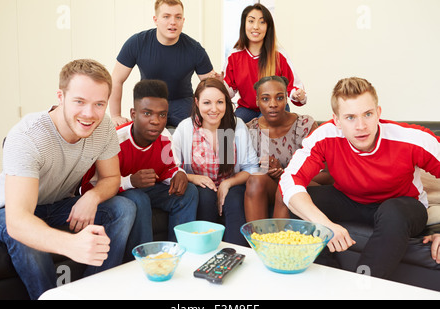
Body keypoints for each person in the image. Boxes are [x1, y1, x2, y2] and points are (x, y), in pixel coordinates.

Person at [0, 59, 137, 299]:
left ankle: (94, 292)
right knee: (27, 236)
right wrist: (72, 245)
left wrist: (92, 197)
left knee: (123, 208)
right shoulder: (27, 136)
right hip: (6, 210)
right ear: (61, 96)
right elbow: (18, 220)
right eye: (79, 101)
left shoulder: (103, 128)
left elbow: (111, 177)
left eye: (99, 104)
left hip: (56, 204)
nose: (89, 114)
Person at [279, 77, 440, 279]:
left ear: (378, 113)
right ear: (336, 120)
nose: (361, 126)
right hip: (351, 200)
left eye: (368, 114)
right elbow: (290, 180)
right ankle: (326, 277)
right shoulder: (324, 136)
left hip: (402, 207)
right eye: (350, 117)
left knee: (393, 211)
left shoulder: (412, 139)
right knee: (305, 202)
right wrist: (325, 224)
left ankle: (363, 287)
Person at [81, 79, 198, 260]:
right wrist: (129, 181)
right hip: (118, 195)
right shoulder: (115, 140)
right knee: (138, 197)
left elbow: (169, 168)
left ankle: (178, 257)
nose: (155, 121)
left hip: (149, 191)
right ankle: (144, 261)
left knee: (189, 191)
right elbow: (89, 186)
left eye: (162, 115)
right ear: (133, 114)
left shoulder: (165, 137)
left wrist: (179, 174)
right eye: (147, 113)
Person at [172, 78, 259, 246]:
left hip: (232, 186)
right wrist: (192, 178)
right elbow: (171, 167)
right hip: (201, 188)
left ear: (227, 103)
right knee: (205, 195)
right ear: (196, 102)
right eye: (207, 103)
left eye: (220, 102)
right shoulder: (186, 128)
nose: (214, 109)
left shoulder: (235, 125)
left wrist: (228, 183)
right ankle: (206, 250)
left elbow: (251, 167)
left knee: (234, 198)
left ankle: (236, 252)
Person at [110, 0, 221, 128]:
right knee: (143, 136)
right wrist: (115, 115)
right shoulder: (137, 42)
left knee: (191, 133)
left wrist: (219, 83)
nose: (173, 22)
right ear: (156, 19)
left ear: (183, 21)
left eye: (178, 17)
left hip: (182, 103)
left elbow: (209, 86)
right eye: (166, 16)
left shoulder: (195, 49)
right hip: (149, 100)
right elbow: (116, 79)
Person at [245, 76, 332, 222]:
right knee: (256, 180)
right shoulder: (250, 130)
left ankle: (279, 244)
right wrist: (265, 169)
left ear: (286, 99)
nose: (273, 104)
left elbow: (328, 176)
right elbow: (240, 171)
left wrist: (284, 174)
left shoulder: (304, 125)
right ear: (257, 101)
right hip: (270, 188)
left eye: (279, 98)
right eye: (265, 99)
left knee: (288, 186)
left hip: (304, 187)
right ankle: (257, 243)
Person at [224, 3, 307, 124]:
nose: (256, 27)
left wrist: (297, 95)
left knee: (262, 128)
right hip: (246, 109)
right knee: (228, 127)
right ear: (244, 25)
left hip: (274, 107)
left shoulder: (279, 55)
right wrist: (220, 84)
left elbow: (293, 88)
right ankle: (223, 143)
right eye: (251, 21)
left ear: (268, 27)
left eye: (262, 22)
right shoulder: (234, 55)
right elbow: (229, 90)